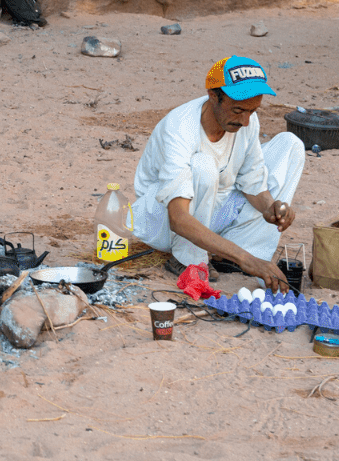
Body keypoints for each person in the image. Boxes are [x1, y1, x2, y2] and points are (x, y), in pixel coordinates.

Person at [130, 56, 305, 291]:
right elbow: (178, 218)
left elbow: (253, 184)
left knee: (290, 145)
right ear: (214, 96)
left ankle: (236, 254)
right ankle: (187, 259)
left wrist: (270, 208)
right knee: (204, 165)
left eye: (252, 111)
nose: (245, 121)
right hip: (161, 219)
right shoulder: (180, 127)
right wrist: (245, 258)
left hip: (214, 209)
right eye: (238, 110)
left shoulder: (247, 121)